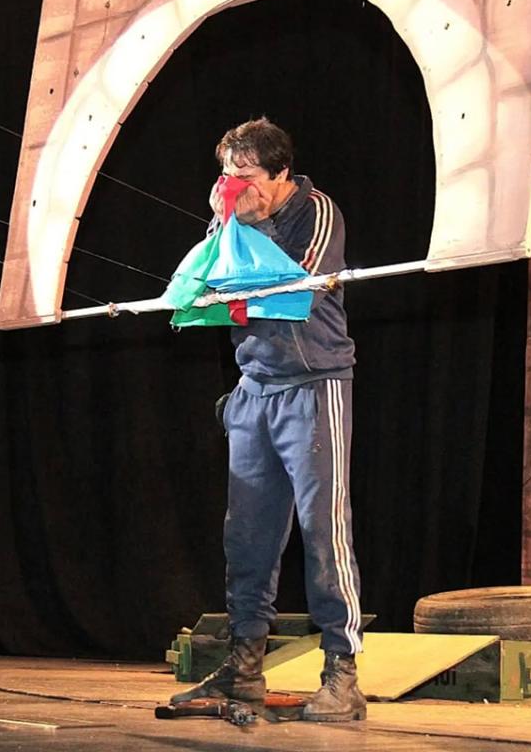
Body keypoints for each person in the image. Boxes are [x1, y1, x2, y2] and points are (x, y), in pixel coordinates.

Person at [172, 117, 365, 722]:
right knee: (247, 537)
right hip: (255, 389)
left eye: (247, 174)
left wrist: (247, 225)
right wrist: (226, 224)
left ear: (281, 173)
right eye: (226, 174)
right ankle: (244, 668)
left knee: (323, 532)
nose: (235, 185)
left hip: (314, 386)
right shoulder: (232, 217)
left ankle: (342, 675)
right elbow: (212, 281)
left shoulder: (317, 211)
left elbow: (291, 287)